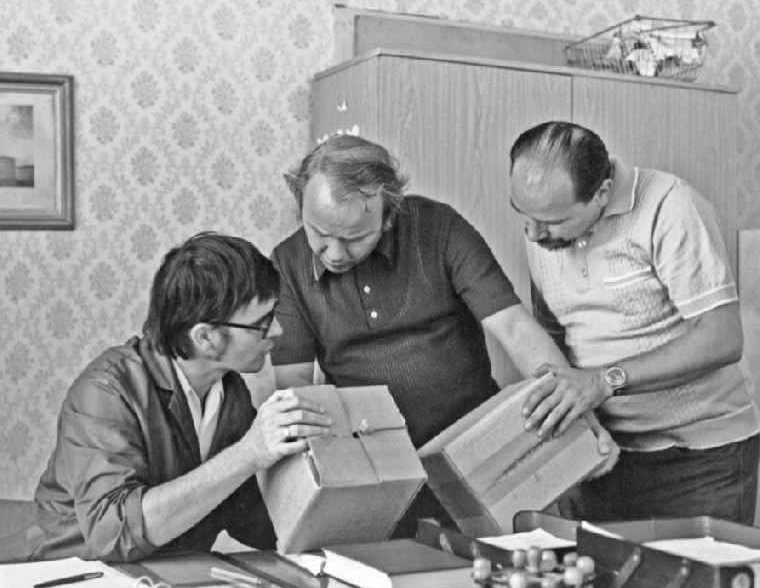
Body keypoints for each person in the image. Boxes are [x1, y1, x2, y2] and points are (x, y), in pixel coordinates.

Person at [270, 135, 610, 532]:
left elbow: (515, 329)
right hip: (374, 471)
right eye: (319, 233)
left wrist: (574, 413)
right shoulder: (288, 264)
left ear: (389, 213)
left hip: (477, 453)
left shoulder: (439, 228)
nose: (334, 254)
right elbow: (297, 393)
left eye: (355, 238)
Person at [15, 232, 331, 562]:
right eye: (262, 323)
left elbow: (251, 519)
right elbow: (113, 534)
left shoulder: (230, 391)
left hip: (171, 582)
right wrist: (249, 452)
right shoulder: (105, 391)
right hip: (76, 584)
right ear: (206, 338)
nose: (278, 331)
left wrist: (321, 472)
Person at [508, 120, 760, 523]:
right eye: (522, 212)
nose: (533, 233)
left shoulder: (670, 206)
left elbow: (723, 337)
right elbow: (554, 337)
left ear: (602, 193)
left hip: (698, 461)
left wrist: (604, 381)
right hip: (601, 456)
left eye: (553, 221)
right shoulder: (542, 224)